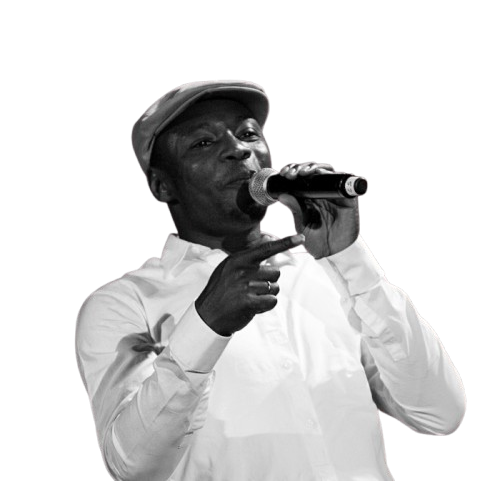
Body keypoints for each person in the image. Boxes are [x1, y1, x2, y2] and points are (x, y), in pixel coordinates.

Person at [75, 80, 466, 481]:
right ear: (162, 185)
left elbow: (440, 414)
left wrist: (348, 258)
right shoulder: (125, 303)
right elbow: (131, 467)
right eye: (203, 143)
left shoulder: (330, 276)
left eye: (248, 133)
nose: (239, 149)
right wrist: (206, 325)